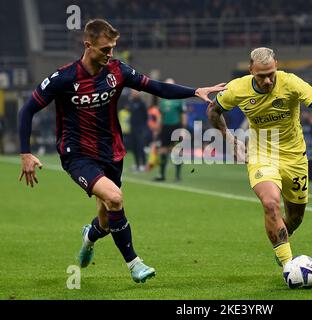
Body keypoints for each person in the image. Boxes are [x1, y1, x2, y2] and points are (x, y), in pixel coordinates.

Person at [18, 19, 226, 283]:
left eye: (113, 48)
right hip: (78, 154)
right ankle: (134, 264)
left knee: (105, 220)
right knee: (115, 198)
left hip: (112, 153)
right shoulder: (65, 77)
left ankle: (89, 237)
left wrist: (195, 90)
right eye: (105, 49)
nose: (110, 54)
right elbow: (27, 110)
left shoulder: (118, 71)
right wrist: (25, 153)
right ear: (88, 45)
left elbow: (157, 87)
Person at [207, 47, 312, 271]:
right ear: (250, 70)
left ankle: (281, 240)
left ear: (276, 66)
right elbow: (213, 111)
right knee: (270, 202)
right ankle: (288, 266)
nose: (267, 81)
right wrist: (230, 139)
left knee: (295, 218)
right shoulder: (237, 88)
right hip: (261, 154)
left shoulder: (291, 82)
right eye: (261, 76)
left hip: (294, 156)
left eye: (271, 74)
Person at [154, 78, 187, 182]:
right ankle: (162, 175)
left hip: (176, 126)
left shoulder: (179, 99)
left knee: (177, 151)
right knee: (163, 150)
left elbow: (183, 115)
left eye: (171, 85)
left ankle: (177, 176)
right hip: (165, 127)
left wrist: (182, 129)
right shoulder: (162, 99)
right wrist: (157, 128)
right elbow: (160, 116)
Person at [128, 89, 149, 172]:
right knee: (134, 146)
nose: (132, 93)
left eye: (134, 92)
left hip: (140, 128)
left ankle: (143, 164)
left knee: (140, 146)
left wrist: (143, 127)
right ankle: (137, 164)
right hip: (132, 128)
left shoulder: (141, 103)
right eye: (132, 92)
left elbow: (146, 116)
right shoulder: (131, 102)